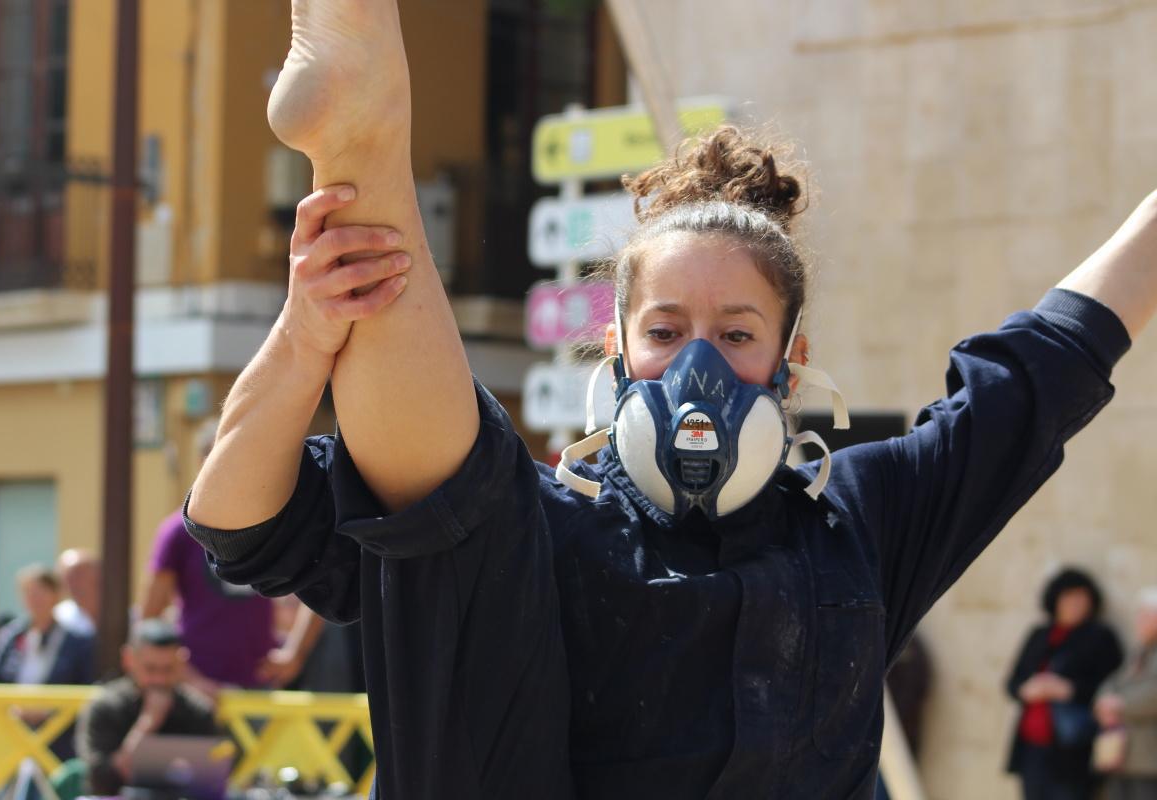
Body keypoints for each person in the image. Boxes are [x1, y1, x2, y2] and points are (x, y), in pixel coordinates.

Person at [183, 2, 1157, 797]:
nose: (699, 366)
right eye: (665, 332)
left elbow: (1041, 370)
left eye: (736, 334)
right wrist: (305, 335)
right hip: (496, 617)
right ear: (616, 345)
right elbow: (234, 518)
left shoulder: (859, 520)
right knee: (465, 516)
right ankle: (363, 135)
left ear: (790, 357)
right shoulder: (541, 521)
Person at [139, 417, 280, 692]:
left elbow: (317, 580)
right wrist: (189, 678)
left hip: (259, 684)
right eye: (220, 457)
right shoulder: (178, 531)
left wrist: (294, 653)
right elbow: (149, 619)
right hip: (197, 688)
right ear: (203, 463)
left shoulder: (269, 522)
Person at [1005, 568, 1124, 800]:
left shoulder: (1100, 637)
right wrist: (1027, 690)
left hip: (1074, 749)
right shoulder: (1039, 634)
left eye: (1082, 599)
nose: (1075, 605)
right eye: (1069, 598)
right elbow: (1012, 683)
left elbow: (1114, 689)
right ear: (1055, 600)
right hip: (1032, 747)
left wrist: (1067, 690)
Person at [74, 619, 218, 796]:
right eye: (150, 669)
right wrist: (148, 722)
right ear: (129, 659)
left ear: (181, 663)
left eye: (168, 670)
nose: (159, 679)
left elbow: (211, 784)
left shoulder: (198, 711)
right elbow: (102, 782)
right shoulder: (105, 707)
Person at [0, 565, 95, 687]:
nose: (35, 599)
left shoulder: (77, 642)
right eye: (29, 592)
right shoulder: (9, 636)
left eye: (41, 592)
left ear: (56, 595)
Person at [1095, 589, 1157, 799]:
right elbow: (1115, 681)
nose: (1140, 621)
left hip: (1149, 759)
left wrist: (1119, 705)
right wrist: (1103, 702)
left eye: (1147, 616)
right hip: (1122, 754)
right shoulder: (1139, 652)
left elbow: (1152, 695)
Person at [54, 548, 99, 637]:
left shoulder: (126, 616)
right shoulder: (59, 617)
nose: (73, 583)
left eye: (79, 574)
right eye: (67, 576)